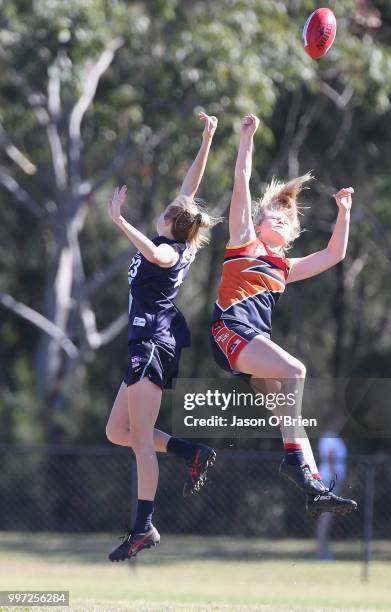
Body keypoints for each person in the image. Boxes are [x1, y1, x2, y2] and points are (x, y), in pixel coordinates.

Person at [210, 113, 357, 517]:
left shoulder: (284, 267)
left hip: (252, 342)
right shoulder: (244, 242)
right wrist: (246, 138)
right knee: (295, 371)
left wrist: (343, 213)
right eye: (270, 214)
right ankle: (294, 461)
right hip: (230, 331)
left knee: (290, 421)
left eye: (285, 217)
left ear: (291, 233)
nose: (278, 216)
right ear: (256, 224)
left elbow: (334, 254)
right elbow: (241, 179)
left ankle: (314, 489)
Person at [106, 112, 219, 562]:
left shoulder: (169, 248)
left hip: (153, 342)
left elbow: (154, 251)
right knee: (119, 431)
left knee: (137, 441)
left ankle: (143, 526)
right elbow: (190, 187)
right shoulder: (182, 231)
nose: (168, 208)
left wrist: (119, 220)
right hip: (147, 342)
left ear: (175, 225)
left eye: (171, 212)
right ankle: (189, 450)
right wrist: (207, 138)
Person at [316, 433, 348, 559]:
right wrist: (336, 478)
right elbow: (329, 458)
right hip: (329, 482)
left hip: (330, 481)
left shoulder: (331, 438)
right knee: (326, 517)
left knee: (327, 518)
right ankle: (321, 552)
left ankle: (322, 550)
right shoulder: (329, 438)